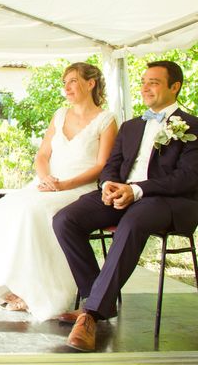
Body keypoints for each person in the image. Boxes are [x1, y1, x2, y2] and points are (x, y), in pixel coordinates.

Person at [53, 60, 198, 352]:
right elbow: (112, 165)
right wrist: (108, 186)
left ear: (175, 87)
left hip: (169, 202)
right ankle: (96, 296)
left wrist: (136, 190)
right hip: (124, 195)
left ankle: (91, 314)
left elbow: (187, 178)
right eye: (143, 81)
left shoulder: (193, 126)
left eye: (154, 82)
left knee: (133, 221)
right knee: (65, 219)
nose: (145, 87)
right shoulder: (131, 126)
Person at [0, 62, 117, 321]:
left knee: (33, 213)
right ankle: (4, 283)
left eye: (72, 81)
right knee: (2, 208)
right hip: (49, 184)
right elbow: (43, 155)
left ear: (90, 84)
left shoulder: (106, 120)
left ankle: (33, 290)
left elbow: (103, 166)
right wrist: (45, 178)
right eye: (64, 82)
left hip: (80, 188)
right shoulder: (59, 115)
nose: (66, 87)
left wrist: (64, 185)